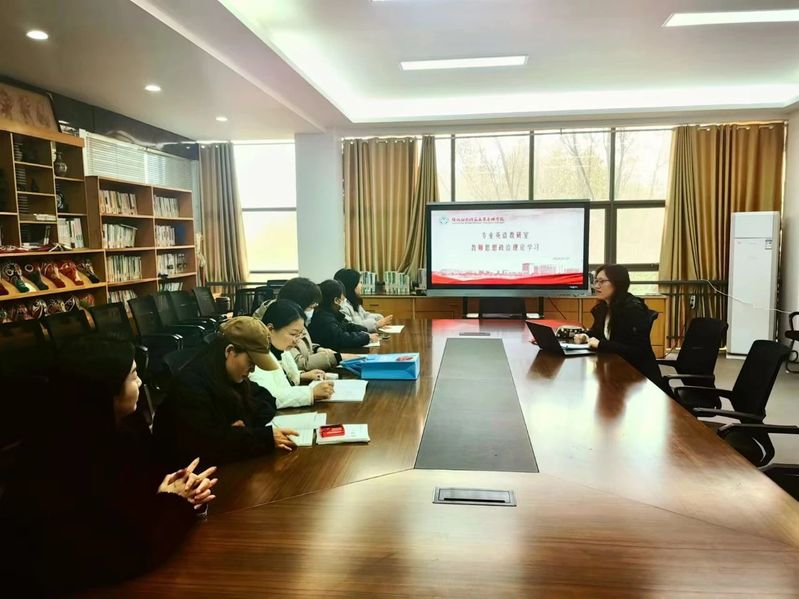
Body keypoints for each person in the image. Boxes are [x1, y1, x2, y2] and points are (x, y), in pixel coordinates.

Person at [0, 336, 218, 594]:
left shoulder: (122, 431)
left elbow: (139, 500)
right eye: (133, 375)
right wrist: (176, 502)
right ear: (106, 390)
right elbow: (128, 552)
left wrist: (183, 489)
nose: (141, 382)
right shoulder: (62, 457)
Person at [153, 316, 299, 467]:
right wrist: (260, 436)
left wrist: (241, 429)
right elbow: (208, 444)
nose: (253, 370)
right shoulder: (190, 386)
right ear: (229, 351)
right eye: (251, 362)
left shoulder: (230, 375)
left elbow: (267, 400)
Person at [574, 264, 664, 388]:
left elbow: (637, 351)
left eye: (602, 281)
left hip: (638, 378)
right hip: (615, 369)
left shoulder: (632, 309)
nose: (596, 286)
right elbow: (598, 332)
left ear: (618, 283)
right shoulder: (603, 308)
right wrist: (585, 335)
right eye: (596, 281)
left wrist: (601, 344)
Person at [255, 277, 357, 371]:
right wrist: (337, 357)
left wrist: (317, 349)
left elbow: (304, 343)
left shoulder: (296, 320)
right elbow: (295, 363)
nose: (313, 310)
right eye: (311, 307)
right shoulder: (281, 321)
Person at [250, 299, 334, 408]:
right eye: (293, 334)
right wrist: (310, 393)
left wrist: (301, 376)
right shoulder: (257, 357)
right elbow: (269, 396)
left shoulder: (280, 350)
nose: (297, 340)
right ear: (270, 329)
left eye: (300, 334)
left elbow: (282, 378)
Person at [309, 279, 378, 351]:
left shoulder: (332, 314)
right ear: (336, 300)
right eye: (343, 299)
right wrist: (366, 338)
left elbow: (347, 326)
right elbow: (341, 338)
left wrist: (364, 330)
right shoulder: (324, 318)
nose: (344, 302)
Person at [334, 268, 394, 332]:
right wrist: (376, 324)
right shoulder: (342, 306)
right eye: (359, 282)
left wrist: (379, 318)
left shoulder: (353, 301)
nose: (361, 285)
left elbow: (364, 315)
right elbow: (352, 327)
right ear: (351, 285)